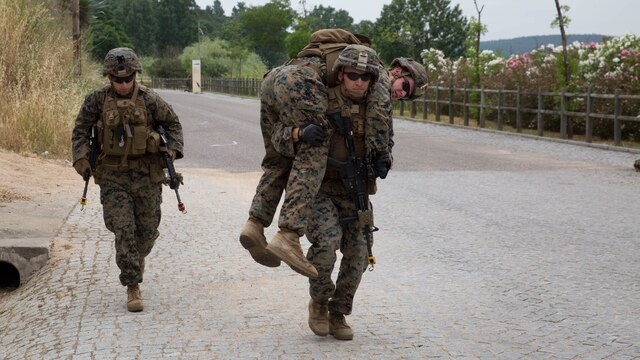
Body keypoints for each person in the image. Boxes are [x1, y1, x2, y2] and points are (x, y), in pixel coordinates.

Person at [239, 29, 394, 279]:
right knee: (314, 148)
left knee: (279, 159)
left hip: (274, 79)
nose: (401, 93)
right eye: (405, 88)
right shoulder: (376, 71)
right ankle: (288, 234)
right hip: (300, 83)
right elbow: (378, 119)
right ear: (398, 72)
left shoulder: (324, 51)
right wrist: (380, 152)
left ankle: (255, 224)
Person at [71, 47, 184, 312]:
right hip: (112, 176)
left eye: (127, 79)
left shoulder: (150, 100)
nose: (123, 84)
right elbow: (80, 130)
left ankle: (136, 258)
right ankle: (133, 285)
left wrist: (171, 151)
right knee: (123, 231)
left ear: (135, 75)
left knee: (147, 232)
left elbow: (174, 125)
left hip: (147, 175)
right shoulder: (96, 100)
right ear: (109, 77)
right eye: (117, 79)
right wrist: (81, 158)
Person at [304, 44, 393, 341]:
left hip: (355, 192)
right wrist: (301, 133)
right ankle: (318, 302)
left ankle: (338, 312)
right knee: (327, 245)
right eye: (353, 75)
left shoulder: (377, 109)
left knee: (359, 253)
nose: (359, 81)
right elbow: (282, 134)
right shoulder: (321, 101)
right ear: (341, 74)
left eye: (366, 77)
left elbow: (387, 141)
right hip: (321, 189)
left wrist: (384, 158)